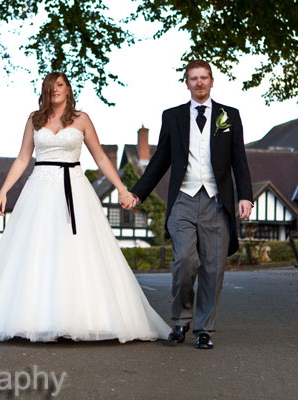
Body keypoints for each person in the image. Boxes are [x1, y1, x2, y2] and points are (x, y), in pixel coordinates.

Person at [0, 72, 170, 343]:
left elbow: (99, 156)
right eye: (51, 86)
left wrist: (122, 189)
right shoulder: (34, 119)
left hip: (73, 188)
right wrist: (4, 190)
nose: (56, 90)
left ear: (68, 90)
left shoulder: (82, 119)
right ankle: (35, 319)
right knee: (38, 251)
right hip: (39, 189)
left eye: (61, 85)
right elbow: (22, 158)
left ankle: (82, 318)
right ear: (45, 90)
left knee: (77, 251)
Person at [128, 60, 253, 349]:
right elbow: (160, 161)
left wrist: (245, 195)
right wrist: (138, 193)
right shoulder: (172, 117)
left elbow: (239, 160)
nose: (199, 82)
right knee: (185, 260)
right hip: (183, 199)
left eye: (204, 78)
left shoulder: (229, 116)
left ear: (212, 81)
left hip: (216, 201)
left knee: (213, 268)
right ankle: (181, 321)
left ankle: (204, 329)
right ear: (186, 83)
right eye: (193, 78)